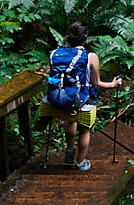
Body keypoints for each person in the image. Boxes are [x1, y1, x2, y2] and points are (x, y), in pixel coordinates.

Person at [43, 22, 125, 171]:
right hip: (79, 100)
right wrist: (114, 84)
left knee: (69, 121)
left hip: (58, 98)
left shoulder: (55, 53)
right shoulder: (90, 57)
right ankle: (81, 162)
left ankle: (69, 151)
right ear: (85, 37)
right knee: (84, 129)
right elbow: (97, 83)